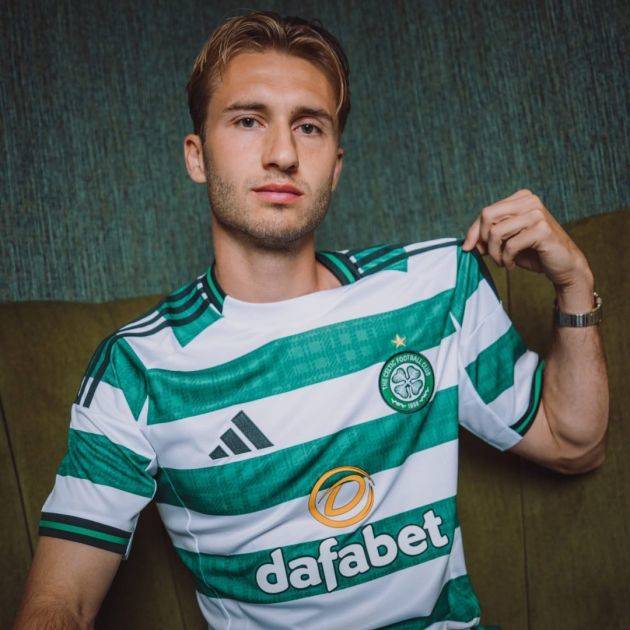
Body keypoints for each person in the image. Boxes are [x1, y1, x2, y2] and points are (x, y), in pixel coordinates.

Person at [13, 10, 608, 630]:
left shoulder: (437, 289)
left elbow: (573, 443)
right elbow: (61, 601)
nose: (282, 154)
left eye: (309, 127)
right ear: (197, 156)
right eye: (248, 120)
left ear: (336, 165)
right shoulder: (138, 370)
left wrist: (574, 283)